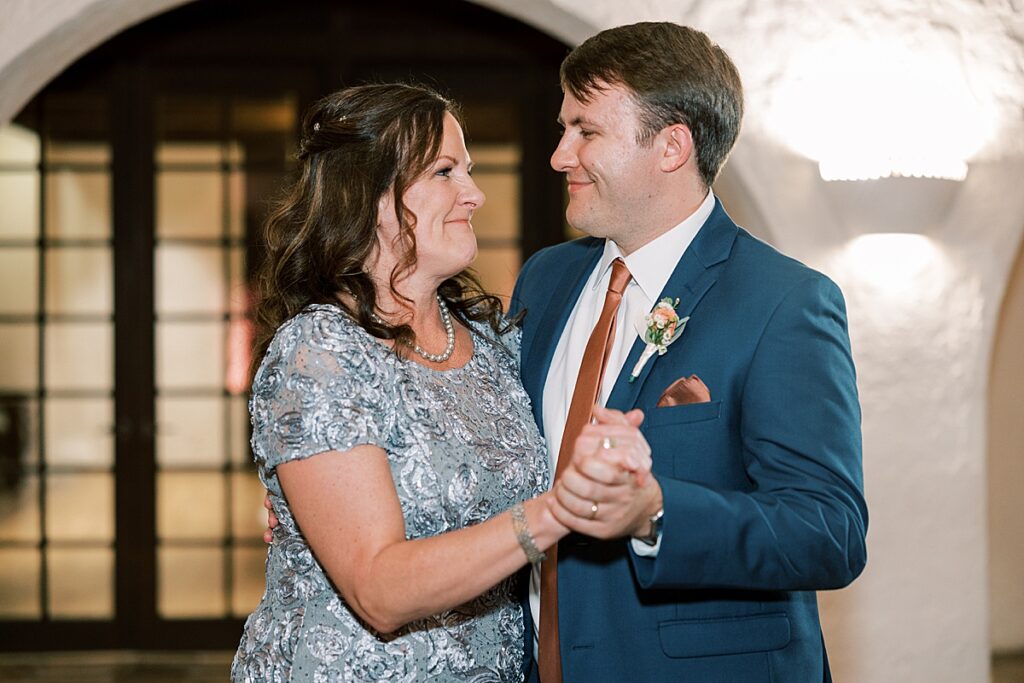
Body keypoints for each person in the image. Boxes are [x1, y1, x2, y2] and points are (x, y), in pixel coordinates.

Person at [231, 83, 651, 682]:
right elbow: (378, 590)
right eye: (446, 172)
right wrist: (556, 512)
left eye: (470, 171)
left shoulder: (491, 342)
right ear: (372, 197)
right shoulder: (320, 353)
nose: (475, 194)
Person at [509, 22, 868, 682]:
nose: (559, 155)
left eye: (586, 131)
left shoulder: (783, 301)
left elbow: (830, 530)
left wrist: (656, 511)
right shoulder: (545, 279)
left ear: (671, 146)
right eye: (564, 128)